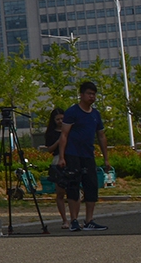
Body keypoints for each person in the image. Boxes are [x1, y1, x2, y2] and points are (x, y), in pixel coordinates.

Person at [59, 82, 111, 231]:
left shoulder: (95, 114)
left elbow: (101, 136)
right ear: (81, 95)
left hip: (88, 155)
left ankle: (89, 220)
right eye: (89, 94)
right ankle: (74, 219)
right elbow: (64, 134)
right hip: (73, 154)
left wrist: (106, 158)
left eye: (94, 94)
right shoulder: (72, 112)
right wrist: (62, 157)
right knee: (73, 186)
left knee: (91, 186)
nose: (92, 97)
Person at [42, 107, 68, 224]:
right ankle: (64, 219)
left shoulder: (70, 130)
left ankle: (74, 218)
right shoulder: (51, 133)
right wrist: (59, 141)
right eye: (58, 119)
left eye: (62, 119)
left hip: (71, 158)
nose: (60, 121)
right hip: (58, 160)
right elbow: (49, 150)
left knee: (74, 191)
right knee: (60, 192)